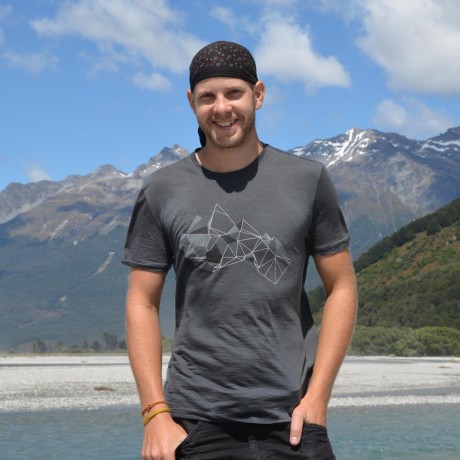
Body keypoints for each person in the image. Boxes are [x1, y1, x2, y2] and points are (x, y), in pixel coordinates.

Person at [122, 40, 357, 460]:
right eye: (207, 97)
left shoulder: (307, 180)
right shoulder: (162, 190)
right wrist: (155, 414)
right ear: (192, 102)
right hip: (195, 421)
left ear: (258, 95)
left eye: (234, 93)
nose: (222, 108)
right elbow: (141, 301)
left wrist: (318, 398)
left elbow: (341, 287)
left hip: (294, 419)